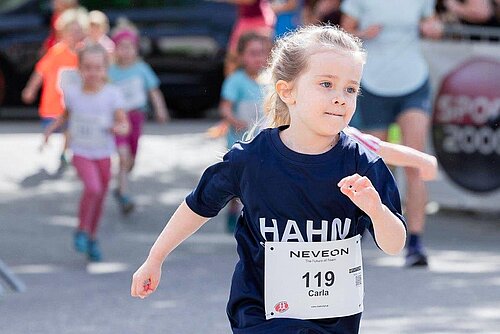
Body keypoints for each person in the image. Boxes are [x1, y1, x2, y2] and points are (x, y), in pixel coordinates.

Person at [131, 25, 407, 333]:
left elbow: (395, 244)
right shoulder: (251, 159)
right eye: (326, 84)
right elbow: (199, 205)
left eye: (350, 89)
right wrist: (155, 258)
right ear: (287, 91)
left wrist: (376, 210)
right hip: (261, 314)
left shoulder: (362, 163)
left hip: (334, 320)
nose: (341, 98)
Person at [340, 0, 443, 267]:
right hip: (374, 83)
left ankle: (416, 241)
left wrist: (434, 28)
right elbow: (343, 34)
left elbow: (433, 25)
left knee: (414, 162)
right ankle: (362, 228)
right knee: (371, 162)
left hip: (412, 81)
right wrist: (363, 35)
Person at [43, 44, 129, 262]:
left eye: (98, 68)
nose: (93, 73)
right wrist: (50, 130)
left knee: (100, 195)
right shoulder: (73, 94)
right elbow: (66, 116)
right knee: (92, 187)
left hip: (103, 152)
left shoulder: (112, 94)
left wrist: (117, 128)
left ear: (105, 69)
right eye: (88, 67)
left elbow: (123, 124)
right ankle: (81, 229)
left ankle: (92, 237)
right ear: (80, 69)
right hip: (81, 151)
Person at [108, 18, 169, 215]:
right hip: (118, 119)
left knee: (131, 159)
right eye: (121, 47)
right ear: (115, 49)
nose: (125, 51)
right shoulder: (110, 71)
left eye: (129, 47)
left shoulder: (141, 69)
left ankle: (120, 185)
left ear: (136, 48)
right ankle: (125, 195)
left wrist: (160, 110)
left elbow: (153, 91)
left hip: (136, 117)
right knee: (123, 156)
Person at [22, 8, 89, 166]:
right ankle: (48, 135)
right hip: (54, 101)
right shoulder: (56, 52)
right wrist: (31, 89)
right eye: (71, 31)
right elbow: (40, 71)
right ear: (62, 33)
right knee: (54, 125)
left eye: (78, 31)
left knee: (69, 128)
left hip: (74, 102)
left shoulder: (85, 53)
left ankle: (64, 152)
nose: (74, 35)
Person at [219, 31, 270, 232]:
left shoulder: (270, 81)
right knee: (239, 183)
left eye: (262, 53)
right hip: (239, 143)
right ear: (241, 56)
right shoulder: (236, 80)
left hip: (263, 143)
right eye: (252, 53)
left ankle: (254, 217)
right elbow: (224, 107)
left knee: (259, 181)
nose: (258, 58)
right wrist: (234, 120)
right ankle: (233, 208)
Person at [222, 0, 275, 75]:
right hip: (245, 20)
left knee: (266, 57)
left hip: (259, 20)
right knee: (232, 58)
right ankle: (230, 85)